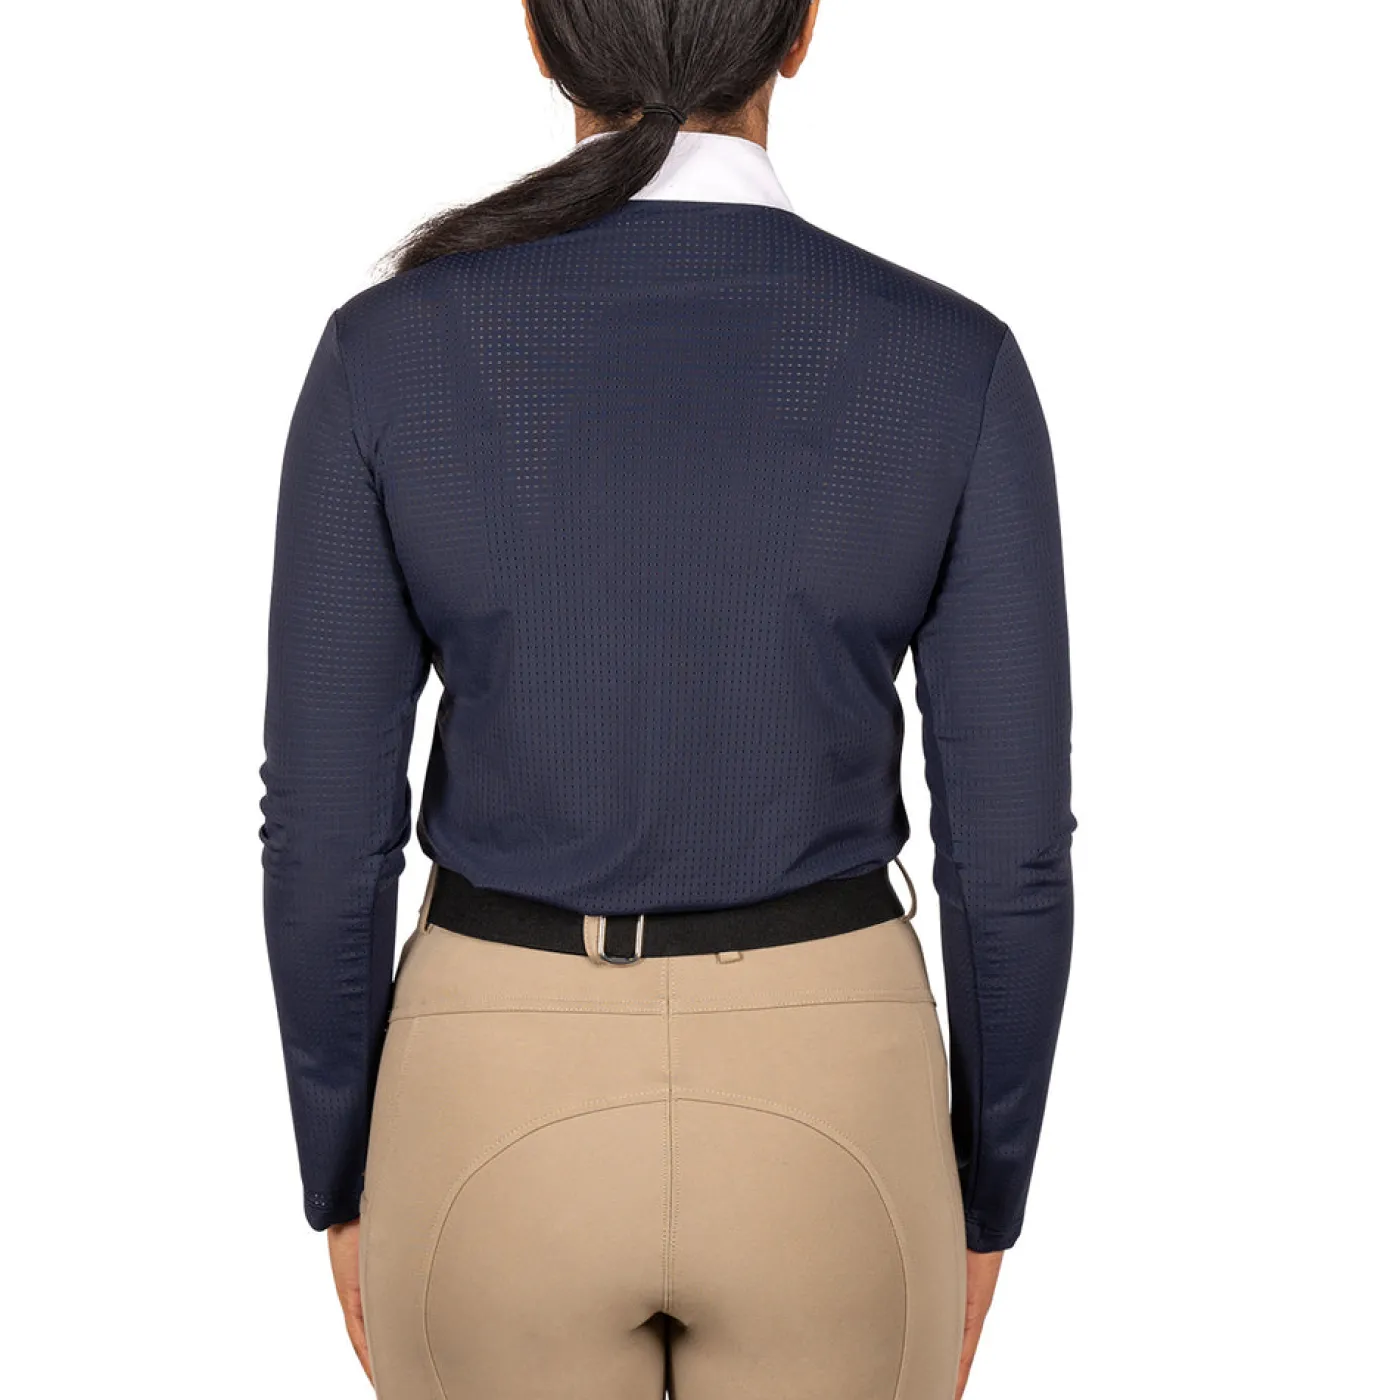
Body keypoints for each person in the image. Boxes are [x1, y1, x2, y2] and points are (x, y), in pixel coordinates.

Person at [257, 1, 1076, 1395]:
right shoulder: (948, 363)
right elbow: (1011, 860)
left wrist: (340, 1172)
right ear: (798, 33)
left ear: (540, 36)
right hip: (837, 1105)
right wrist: (988, 1196)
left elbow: (326, 834)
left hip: (489, 1104)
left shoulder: (390, 354)